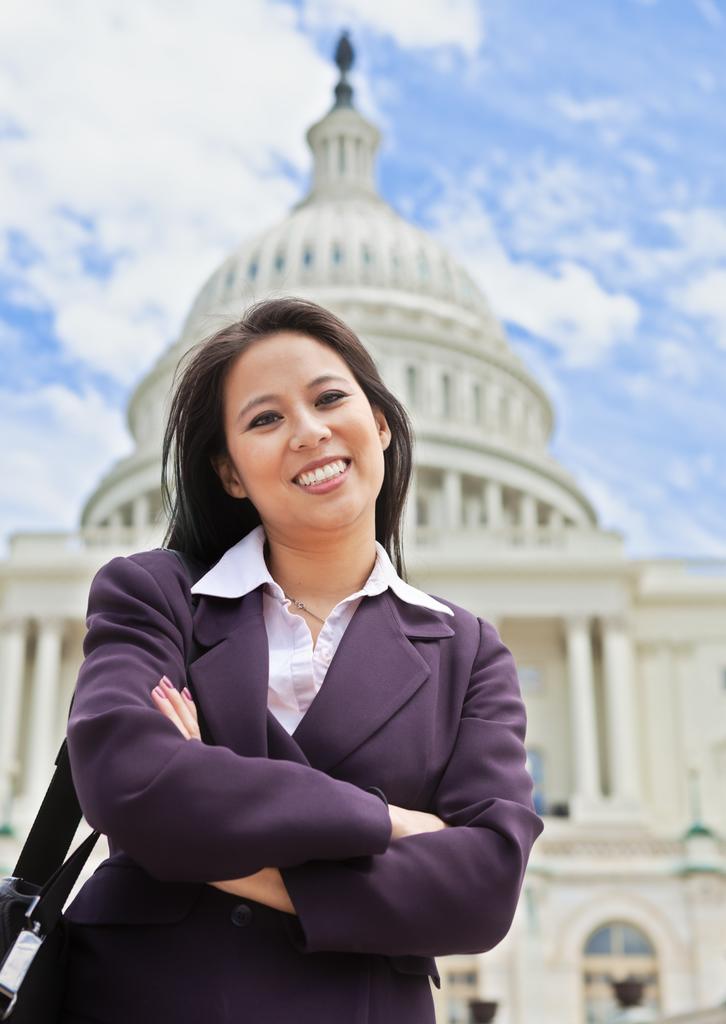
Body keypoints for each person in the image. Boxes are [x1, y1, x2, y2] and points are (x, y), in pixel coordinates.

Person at [60, 297, 545, 1024]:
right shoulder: (155, 594)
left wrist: (209, 828)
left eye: (328, 398)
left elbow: (482, 889)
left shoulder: (467, 651)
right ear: (228, 471)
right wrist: (389, 823)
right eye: (265, 419)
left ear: (379, 423)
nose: (309, 432)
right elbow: (126, 784)